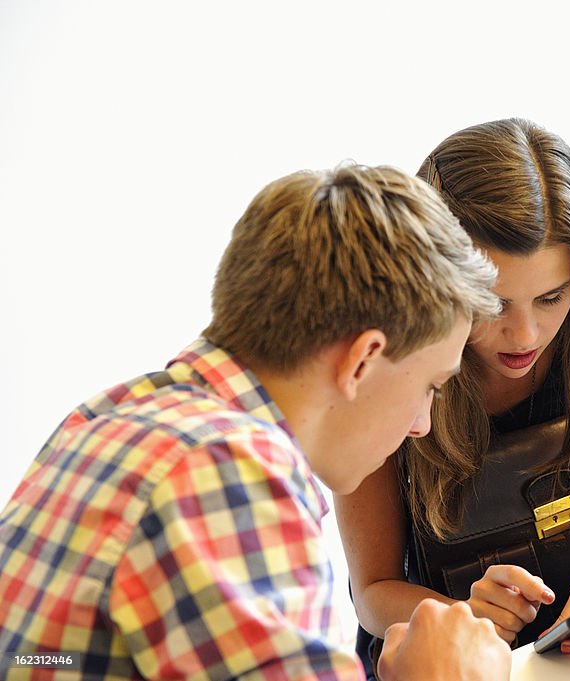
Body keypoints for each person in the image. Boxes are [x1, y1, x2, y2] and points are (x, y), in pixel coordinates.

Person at [0, 164, 513, 680]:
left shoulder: (108, 416)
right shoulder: (225, 471)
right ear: (361, 362)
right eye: (430, 386)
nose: (421, 423)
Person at [336, 118, 570, 676]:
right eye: (491, 303)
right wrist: (461, 616)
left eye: (551, 297)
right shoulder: (386, 353)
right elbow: (372, 592)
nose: (526, 336)